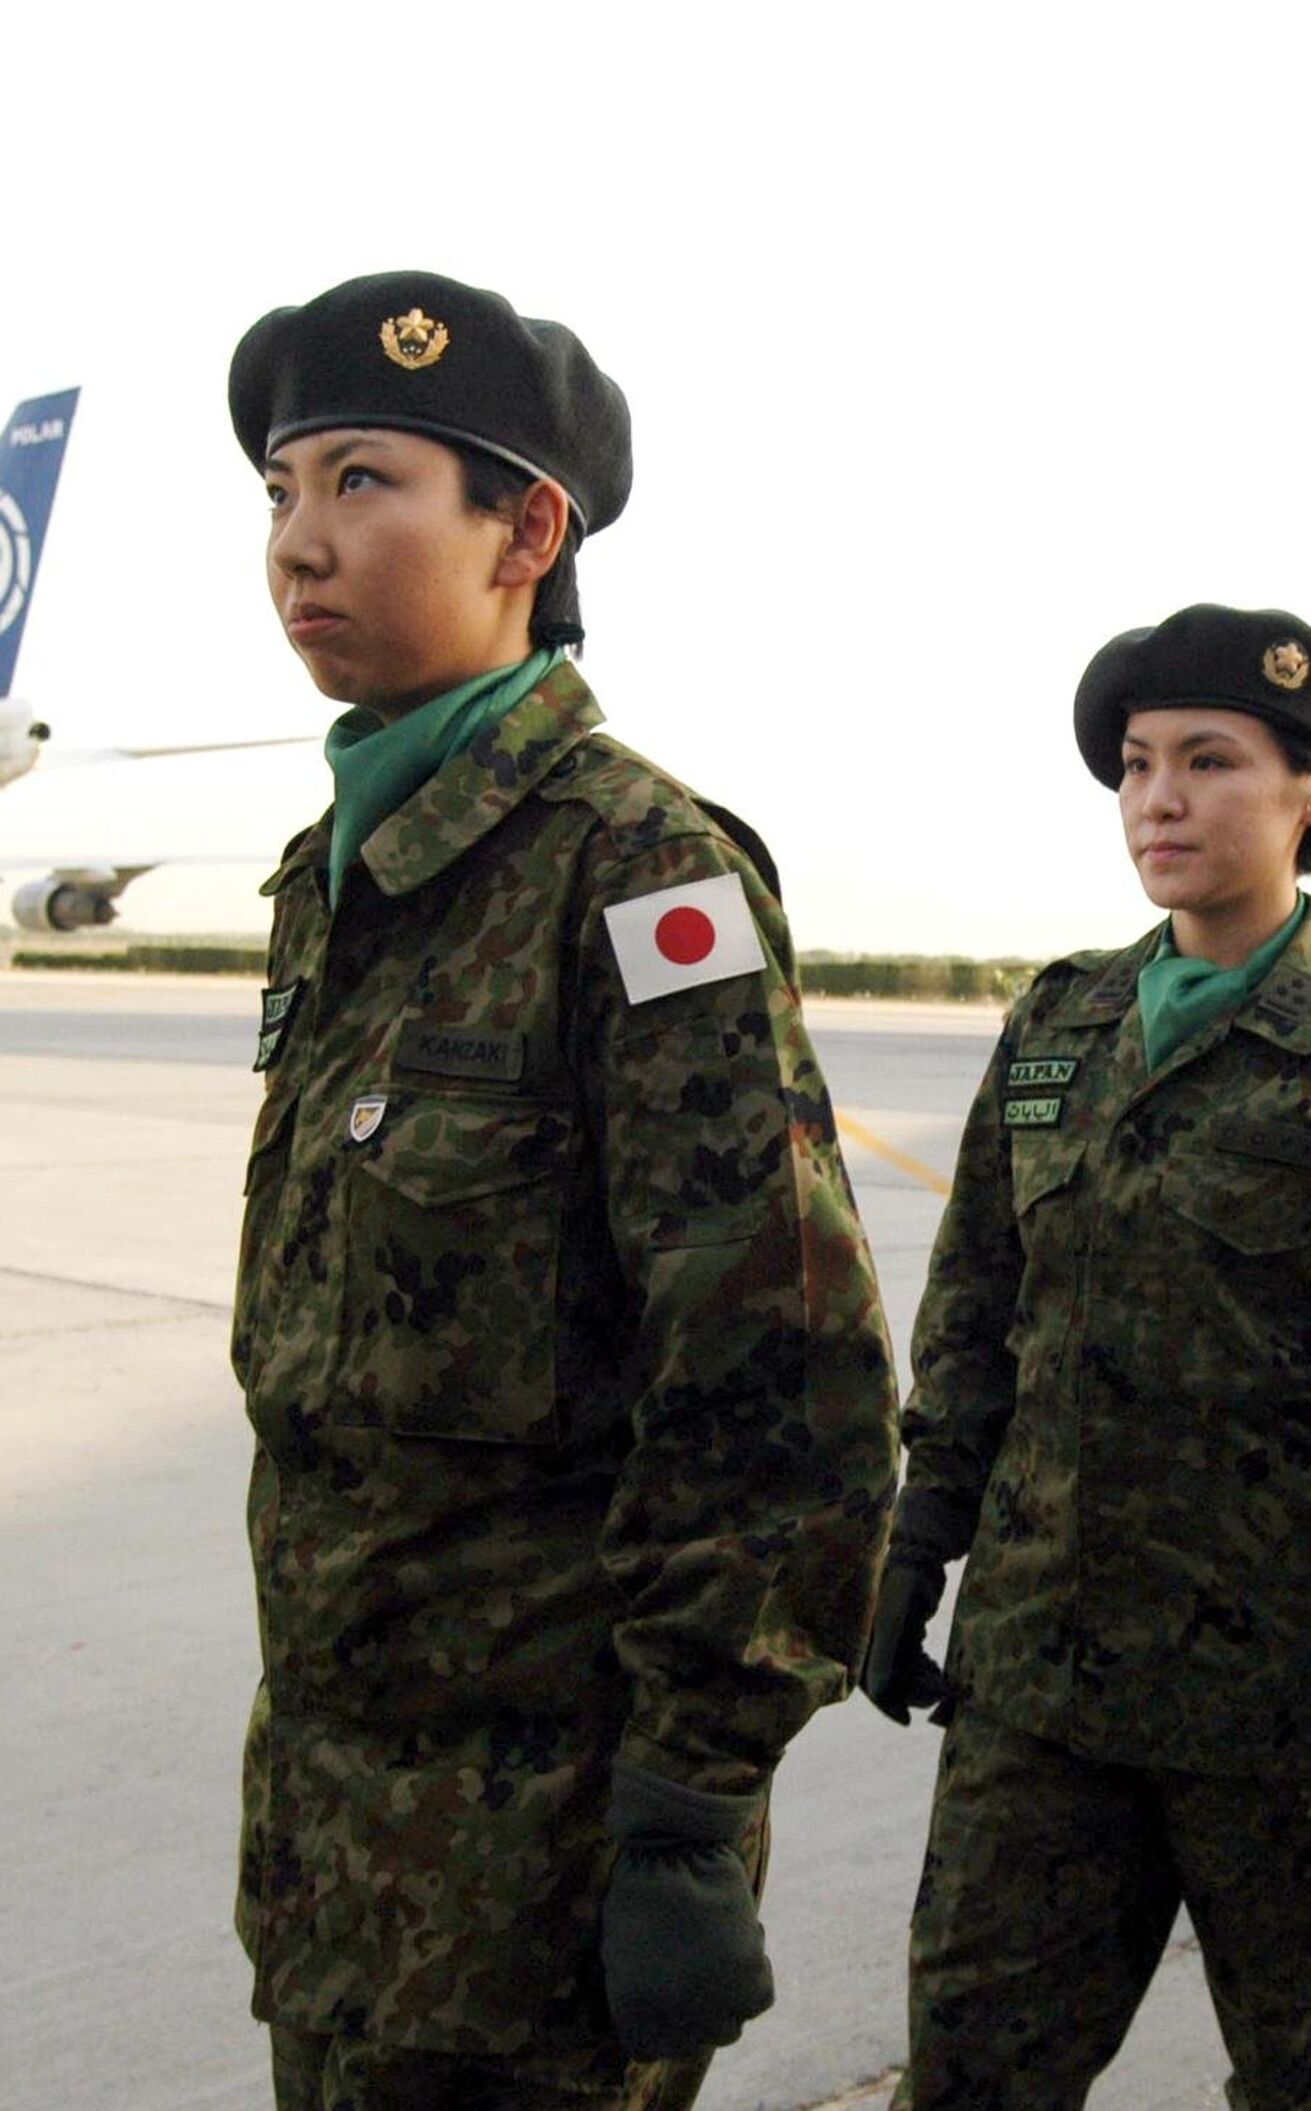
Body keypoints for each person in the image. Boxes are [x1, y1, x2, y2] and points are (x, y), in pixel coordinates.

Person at [226, 271, 899, 2111]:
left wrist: (691, 1802)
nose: (301, 542)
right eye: (281, 491)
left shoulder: (638, 878)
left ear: (530, 528)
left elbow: (787, 1381)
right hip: (339, 1844)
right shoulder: (337, 877)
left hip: (544, 1863)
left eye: (363, 481)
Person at [861, 603, 1311, 2110]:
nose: (1159, 799)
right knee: (971, 2070)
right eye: (1135, 764)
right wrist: (922, 1537)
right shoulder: (1059, 1021)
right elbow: (978, 1305)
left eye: (1209, 760)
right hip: (1039, 1684)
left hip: (1286, 1704)